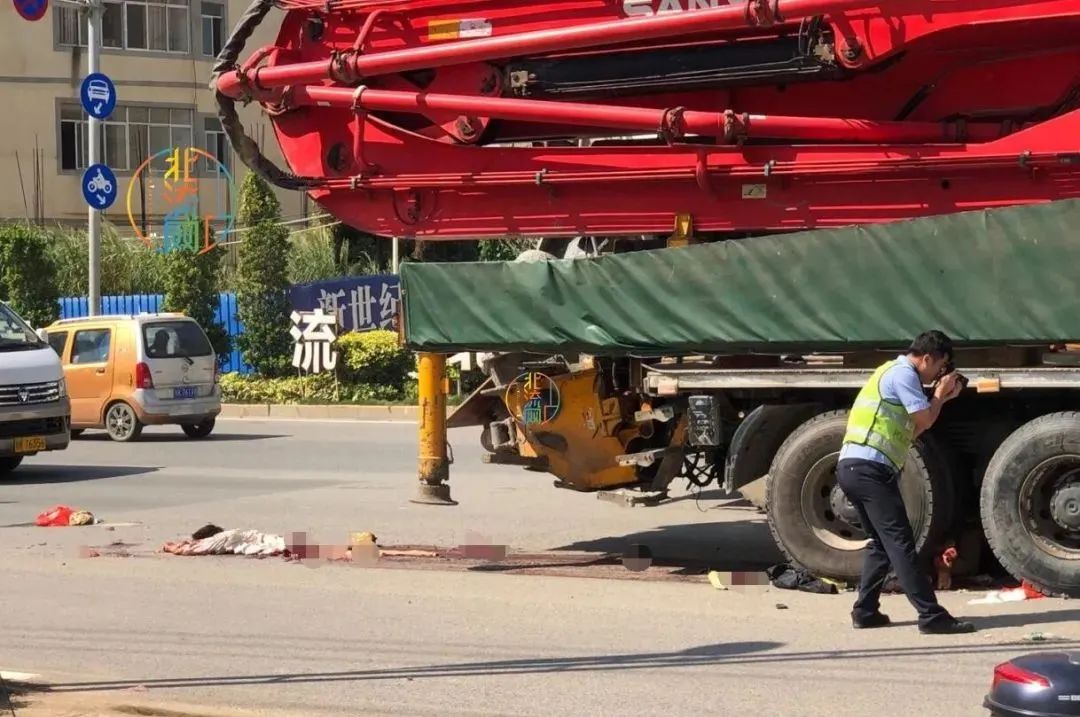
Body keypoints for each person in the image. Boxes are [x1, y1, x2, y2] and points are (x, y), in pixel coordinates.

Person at [837, 330, 975, 634]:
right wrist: (939, 395)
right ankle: (931, 615)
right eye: (940, 367)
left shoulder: (890, 373)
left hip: (855, 468)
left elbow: (915, 430)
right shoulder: (903, 374)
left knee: (882, 545)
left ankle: (865, 610)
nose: (939, 374)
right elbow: (924, 419)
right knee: (900, 543)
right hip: (868, 469)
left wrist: (942, 399)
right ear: (927, 358)